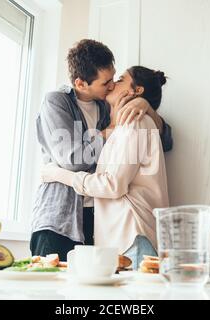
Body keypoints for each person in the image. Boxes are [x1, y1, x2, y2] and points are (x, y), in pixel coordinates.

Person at [30, 39, 173, 261]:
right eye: (106, 82)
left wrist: (145, 106)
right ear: (80, 83)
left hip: (96, 220)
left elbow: (166, 139)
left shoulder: (107, 107)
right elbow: (74, 160)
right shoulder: (56, 102)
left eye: (116, 78)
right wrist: (110, 129)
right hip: (60, 220)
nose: (112, 85)